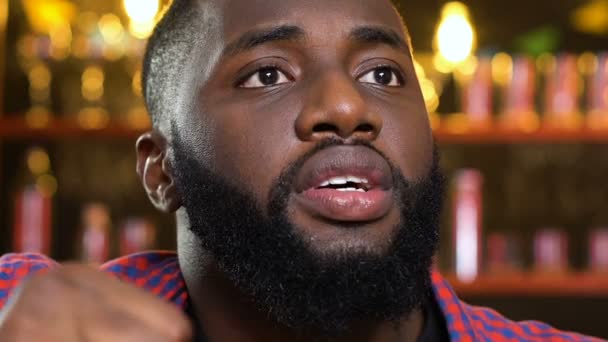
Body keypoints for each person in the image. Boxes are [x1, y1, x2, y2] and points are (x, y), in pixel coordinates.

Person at [0, 0, 603, 341]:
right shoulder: (24, 313)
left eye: (382, 74)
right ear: (162, 170)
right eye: (268, 74)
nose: (347, 108)